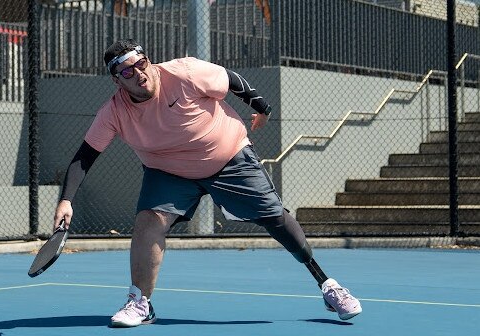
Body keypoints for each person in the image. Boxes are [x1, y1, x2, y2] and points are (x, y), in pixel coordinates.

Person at [53, 39, 362, 328]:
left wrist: (262, 108)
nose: (138, 73)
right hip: (168, 172)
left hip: (228, 157)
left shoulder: (185, 72)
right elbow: (84, 157)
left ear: (149, 61)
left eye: (141, 63)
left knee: (276, 219)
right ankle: (140, 303)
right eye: (126, 71)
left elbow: (231, 80)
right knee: (148, 221)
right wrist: (66, 200)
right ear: (117, 80)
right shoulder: (113, 111)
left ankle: (329, 286)